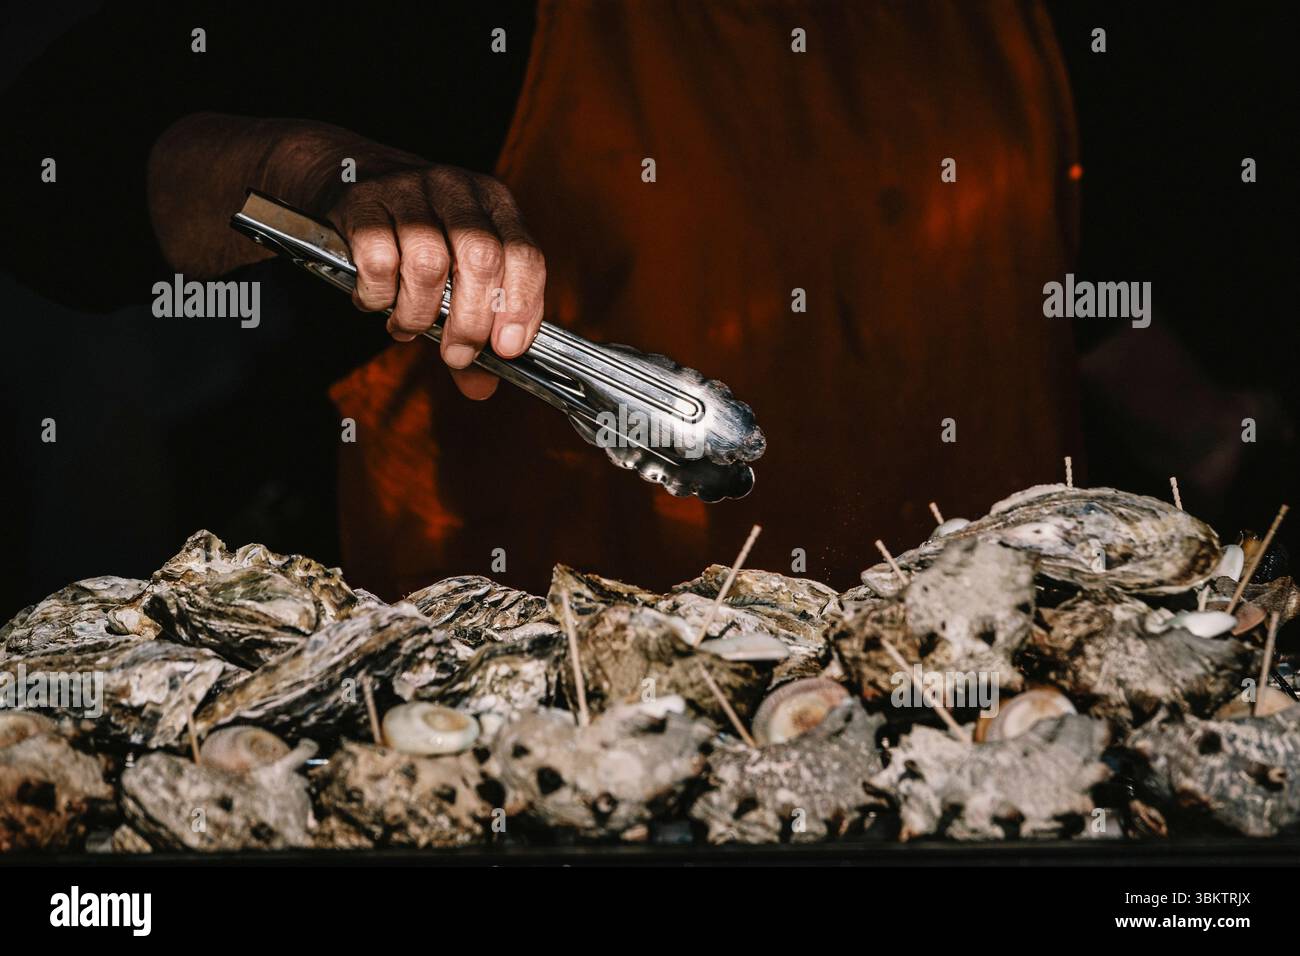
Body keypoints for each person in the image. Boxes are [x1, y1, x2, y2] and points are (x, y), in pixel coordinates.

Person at [3, 0, 1080, 600]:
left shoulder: (1023, 25)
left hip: (980, 714)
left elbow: (1068, 267)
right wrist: (305, 167)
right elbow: (54, 173)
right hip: (540, 750)